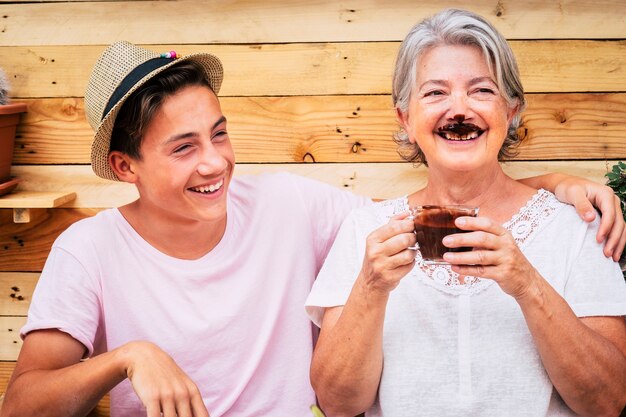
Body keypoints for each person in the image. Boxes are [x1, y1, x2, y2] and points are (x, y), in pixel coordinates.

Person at [1, 40, 623, 417]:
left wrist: (546, 187)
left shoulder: (289, 204)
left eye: (219, 134)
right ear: (124, 166)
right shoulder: (88, 250)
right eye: (183, 148)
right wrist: (127, 359)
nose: (214, 162)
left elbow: (425, 198)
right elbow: (24, 406)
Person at [306, 9, 626, 417]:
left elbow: (608, 401)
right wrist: (371, 288)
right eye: (435, 93)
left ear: (511, 112)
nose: (459, 109)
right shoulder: (364, 232)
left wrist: (527, 284)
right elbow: (336, 405)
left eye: (481, 91)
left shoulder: (575, 225)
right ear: (405, 118)